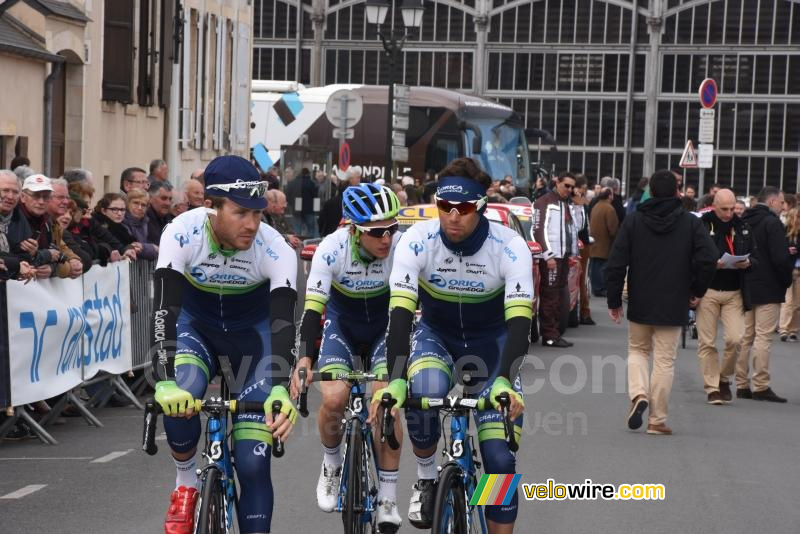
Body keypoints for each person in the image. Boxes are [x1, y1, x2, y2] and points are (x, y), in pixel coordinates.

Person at [372, 157, 532, 533]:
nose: (453, 216)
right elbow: (399, 316)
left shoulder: (509, 246)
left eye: (463, 208)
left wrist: (507, 379)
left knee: (498, 458)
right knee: (422, 392)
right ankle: (427, 478)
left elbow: (521, 323)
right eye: (445, 207)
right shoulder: (415, 242)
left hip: (492, 348)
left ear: (482, 207)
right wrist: (395, 379)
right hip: (437, 337)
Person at [151, 155, 298, 534]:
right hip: (195, 331)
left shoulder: (275, 247)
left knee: (252, 462)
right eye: (240, 213)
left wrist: (281, 386)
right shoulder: (182, 233)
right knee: (183, 391)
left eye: (258, 214)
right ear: (209, 207)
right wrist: (164, 381)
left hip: (253, 344)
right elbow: (165, 307)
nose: (252, 224)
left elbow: (283, 321)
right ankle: (185, 483)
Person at [291, 184, 404, 532]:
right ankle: (331, 465)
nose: (386, 238)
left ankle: (387, 496)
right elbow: (313, 310)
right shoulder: (332, 248)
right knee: (336, 397)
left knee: (386, 403)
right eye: (377, 232)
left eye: (392, 228)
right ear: (354, 229)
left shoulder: (402, 249)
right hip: (342, 327)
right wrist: (305, 359)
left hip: (385, 328)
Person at [605, 169, 716, 435]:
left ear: (650, 191)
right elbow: (709, 258)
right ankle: (657, 420)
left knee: (638, 350)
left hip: (642, 297)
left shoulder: (634, 220)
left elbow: (616, 262)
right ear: (678, 192)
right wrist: (697, 290)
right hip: (675, 298)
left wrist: (613, 300)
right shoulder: (690, 223)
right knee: (665, 360)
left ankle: (639, 395)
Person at [695, 189, 756, 404]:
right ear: (714, 205)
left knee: (735, 338)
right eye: (725, 209)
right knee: (707, 342)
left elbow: (756, 256)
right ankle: (712, 387)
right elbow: (691, 255)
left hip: (734, 292)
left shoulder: (743, 227)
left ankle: (723, 378)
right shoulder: (701, 225)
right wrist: (711, 263)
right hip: (708, 290)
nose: (730, 213)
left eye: (733, 209)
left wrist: (748, 262)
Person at [733, 187, 793, 402]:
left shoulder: (743, 221)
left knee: (746, 337)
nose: (782, 206)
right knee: (763, 336)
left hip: (747, 284)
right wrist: (786, 280)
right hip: (769, 286)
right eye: (781, 202)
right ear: (771, 202)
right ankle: (761, 385)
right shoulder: (772, 223)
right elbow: (779, 259)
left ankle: (741, 384)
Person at [532, 171, 582, 347]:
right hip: (552, 258)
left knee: (560, 296)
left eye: (572, 187)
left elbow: (580, 226)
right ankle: (549, 336)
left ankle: (554, 333)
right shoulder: (544, 202)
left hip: (565, 256)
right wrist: (548, 254)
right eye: (566, 185)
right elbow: (538, 230)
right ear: (557, 183)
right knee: (550, 296)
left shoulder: (567, 204)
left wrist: (578, 203)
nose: (569, 189)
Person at [19, 174, 83, 279]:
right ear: (23, 197)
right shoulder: (14, 219)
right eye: (36, 196)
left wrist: (72, 259)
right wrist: (51, 260)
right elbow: (23, 258)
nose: (41, 201)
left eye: (46, 197)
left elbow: (58, 248)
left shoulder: (47, 221)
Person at [0, 169, 36, 282]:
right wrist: (17, 266)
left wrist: (33, 253)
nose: (10, 196)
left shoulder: (20, 219)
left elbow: (23, 256)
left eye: (15, 192)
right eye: (5, 190)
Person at [588, 187, 619, 298]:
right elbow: (613, 229)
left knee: (595, 266)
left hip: (594, 242)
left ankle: (596, 288)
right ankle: (600, 288)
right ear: (609, 195)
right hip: (604, 243)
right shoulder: (609, 209)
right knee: (601, 267)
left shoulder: (596, 206)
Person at [573, 175, 594, 325]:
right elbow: (579, 225)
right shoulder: (574, 202)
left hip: (583, 242)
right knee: (579, 279)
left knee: (582, 279)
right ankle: (583, 312)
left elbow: (584, 224)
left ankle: (584, 312)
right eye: (582, 188)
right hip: (578, 243)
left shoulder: (582, 203)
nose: (583, 192)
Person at [778, 207, 800, 342]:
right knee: (787, 301)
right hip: (789, 268)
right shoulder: (784, 232)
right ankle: (783, 329)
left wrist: (796, 251)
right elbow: (780, 249)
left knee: (798, 303)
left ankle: (793, 329)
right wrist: (788, 250)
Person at [123, 189, 159, 260]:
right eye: (136, 203)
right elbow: (133, 248)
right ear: (127, 204)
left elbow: (157, 251)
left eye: (143, 205)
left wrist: (142, 247)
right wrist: (151, 247)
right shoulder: (122, 221)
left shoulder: (146, 222)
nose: (139, 208)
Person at [286, 167, 319, 237]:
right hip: (309, 210)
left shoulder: (292, 183)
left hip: (296, 210)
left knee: (297, 231)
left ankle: (297, 245)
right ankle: (310, 244)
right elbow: (316, 197)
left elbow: (288, 197)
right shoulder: (311, 183)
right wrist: (316, 210)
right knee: (311, 230)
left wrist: (293, 205)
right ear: (308, 174)